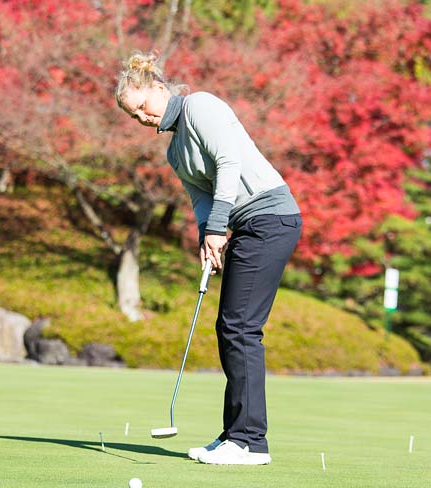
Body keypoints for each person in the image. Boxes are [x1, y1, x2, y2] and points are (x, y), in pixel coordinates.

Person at [115, 51, 301, 465]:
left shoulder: (201, 105)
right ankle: (236, 434)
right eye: (134, 117)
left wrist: (220, 228)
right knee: (231, 327)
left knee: (240, 327)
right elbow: (201, 200)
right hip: (248, 226)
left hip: (271, 217)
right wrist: (208, 237)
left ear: (159, 89)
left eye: (143, 107)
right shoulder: (175, 152)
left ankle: (251, 442)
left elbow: (229, 162)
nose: (143, 119)